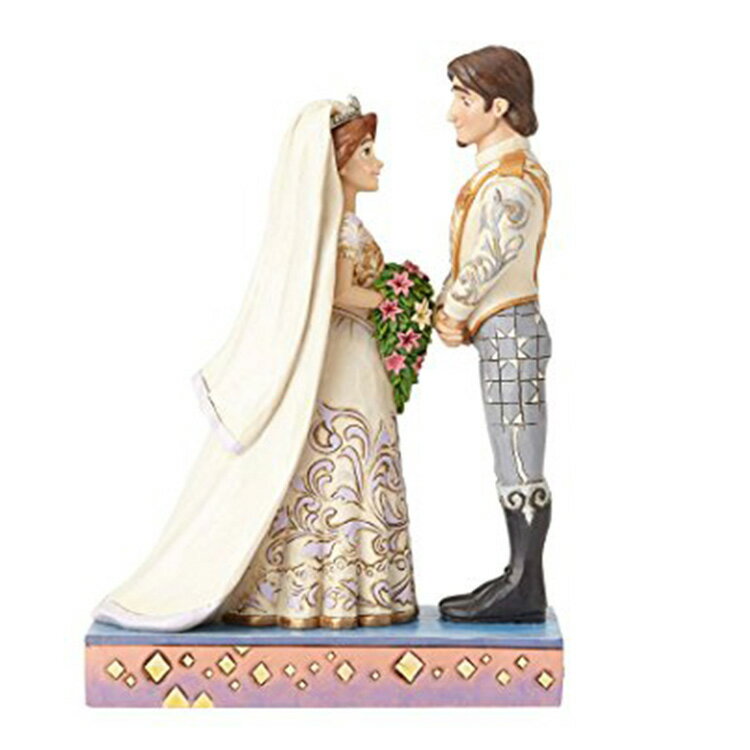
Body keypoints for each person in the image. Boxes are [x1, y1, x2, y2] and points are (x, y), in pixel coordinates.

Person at [93, 98, 417, 631]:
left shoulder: (346, 224)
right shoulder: (343, 229)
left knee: (351, 458)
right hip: (345, 355)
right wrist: (397, 301)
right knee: (345, 457)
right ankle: (331, 590)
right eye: (366, 151)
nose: (377, 161)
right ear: (338, 163)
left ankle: (332, 589)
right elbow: (339, 293)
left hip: (356, 353)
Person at [433, 46, 553, 623]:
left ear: (499, 106)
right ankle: (517, 576)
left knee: (518, 458)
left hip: (510, 331)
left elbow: (492, 258)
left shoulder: (512, 181)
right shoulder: (497, 173)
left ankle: (525, 585)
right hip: (501, 330)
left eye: (464, 99)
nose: (452, 112)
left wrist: (455, 309)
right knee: (510, 453)